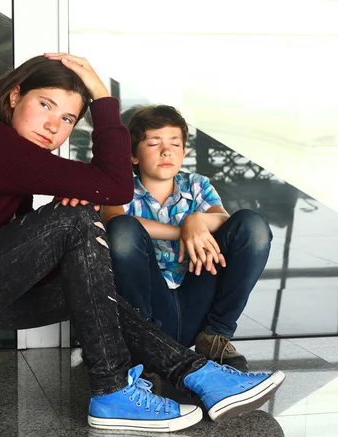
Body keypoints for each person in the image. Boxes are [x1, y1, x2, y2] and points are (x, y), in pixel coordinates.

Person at [0, 54, 284, 433]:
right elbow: (116, 186)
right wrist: (101, 96)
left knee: (84, 271)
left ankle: (198, 373)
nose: (53, 125)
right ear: (14, 97)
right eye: (45, 105)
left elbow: (7, 245)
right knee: (79, 221)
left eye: (67, 119)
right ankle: (115, 389)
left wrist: (73, 245)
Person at [102, 105, 273, 372]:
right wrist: (183, 231)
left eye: (174, 143)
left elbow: (227, 222)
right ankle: (145, 347)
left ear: (183, 152)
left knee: (253, 226)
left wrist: (197, 220)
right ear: (133, 155)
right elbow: (114, 221)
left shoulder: (197, 184)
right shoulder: (121, 188)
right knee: (123, 231)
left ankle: (216, 336)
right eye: (154, 143)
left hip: (198, 300)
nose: (166, 150)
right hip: (152, 310)